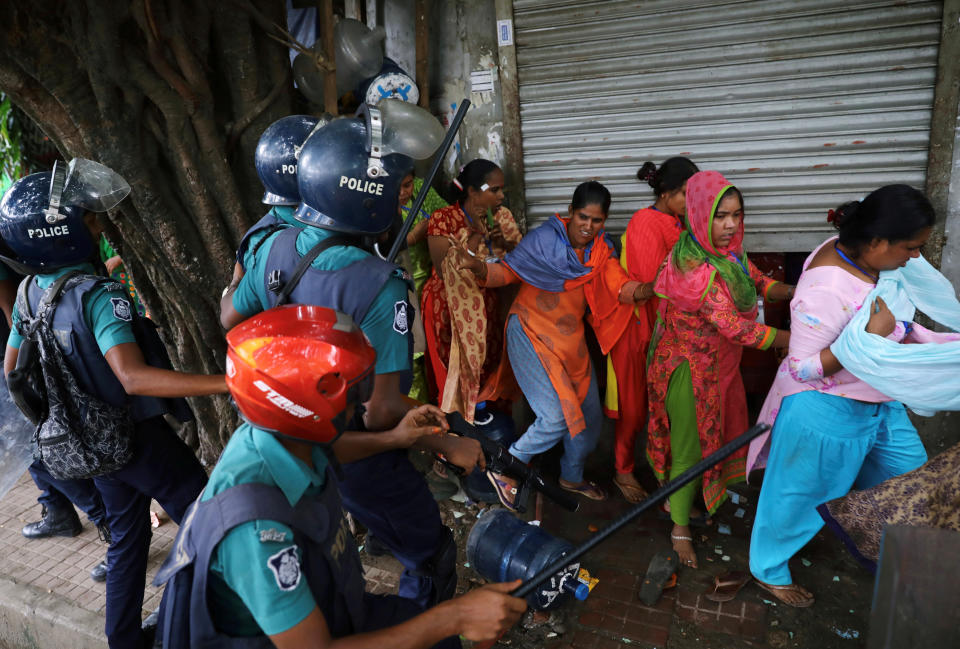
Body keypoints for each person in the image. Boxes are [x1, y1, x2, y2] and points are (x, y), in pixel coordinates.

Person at [220, 110, 484, 609]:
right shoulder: (380, 285)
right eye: (398, 186)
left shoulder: (274, 245)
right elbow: (382, 408)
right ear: (371, 199)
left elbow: (229, 315)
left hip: (293, 444)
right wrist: (449, 442)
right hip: (360, 447)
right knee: (431, 554)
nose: (404, 193)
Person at [154, 305, 526, 649]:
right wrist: (454, 617)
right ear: (306, 408)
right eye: (355, 392)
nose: (362, 404)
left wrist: (396, 438)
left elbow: (329, 450)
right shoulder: (257, 534)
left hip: (337, 607)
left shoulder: (279, 436)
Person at [0, 165, 228, 649]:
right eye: (89, 221)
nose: (99, 226)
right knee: (207, 521)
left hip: (89, 446)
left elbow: (13, 371)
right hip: (138, 439)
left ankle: (123, 640)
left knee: (127, 542)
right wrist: (227, 383)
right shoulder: (98, 297)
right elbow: (132, 376)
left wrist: (61, 416)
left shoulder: (26, 294)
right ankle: (179, 628)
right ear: (63, 233)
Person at [748, 185, 942, 607]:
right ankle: (768, 568)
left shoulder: (859, 254)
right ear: (876, 242)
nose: (914, 257)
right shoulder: (825, 287)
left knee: (910, 483)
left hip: (879, 399)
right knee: (797, 497)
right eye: (910, 248)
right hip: (825, 409)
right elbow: (801, 367)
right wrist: (866, 341)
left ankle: (901, 560)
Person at [457, 181, 649, 508]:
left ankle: (570, 478)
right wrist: (479, 268)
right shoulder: (543, 240)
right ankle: (505, 468)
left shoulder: (601, 252)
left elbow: (621, 288)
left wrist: (655, 287)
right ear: (571, 213)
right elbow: (508, 272)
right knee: (555, 418)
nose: (588, 226)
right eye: (583, 217)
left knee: (589, 422)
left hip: (570, 344)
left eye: (597, 220)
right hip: (530, 334)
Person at [647, 170, 792, 570]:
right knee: (689, 453)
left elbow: (759, 282)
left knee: (708, 442)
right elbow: (735, 326)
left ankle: (685, 503)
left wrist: (801, 291)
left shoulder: (728, 256)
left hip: (718, 368)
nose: (730, 225)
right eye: (720, 216)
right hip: (691, 373)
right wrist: (796, 340)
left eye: (736, 215)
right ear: (697, 215)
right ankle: (679, 528)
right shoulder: (695, 268)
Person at [1, 257, 110, 582]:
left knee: (39, 450)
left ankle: (105, 520)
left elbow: (13, 316)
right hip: (12, 367)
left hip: (12, 364)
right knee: (31, 454)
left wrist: (24, 376)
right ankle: (58, 509)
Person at [606, 156, 699, 503]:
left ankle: (665, 475)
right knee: (633, 407)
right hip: (641, 327)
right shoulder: (647, 221)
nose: (692, 202)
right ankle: (622, 470)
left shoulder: (674, 221)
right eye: (686, 194)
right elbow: (651, 285)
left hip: (665, 328)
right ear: (667, 193)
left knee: (663, 407)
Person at [420, 159, 521, 415]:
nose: (500, 196)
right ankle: (458, 426)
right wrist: (476, 234)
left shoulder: (503, 217)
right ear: (473, 192)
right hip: (450, 309)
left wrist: (505, 244)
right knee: (457, 369)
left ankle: (489, 425)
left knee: (489, 363)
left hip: (489, 306)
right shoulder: (443, 219)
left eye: (502, 190)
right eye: (494, 190)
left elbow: (519, 262)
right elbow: (445, 269)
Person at [399, 176, 448, 403]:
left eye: (407, 185)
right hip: (398, 284)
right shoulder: (372, 197)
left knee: (435, 350)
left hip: (430, 282)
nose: (403, 192)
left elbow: (447, 215)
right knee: (410, 353)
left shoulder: (421, 188)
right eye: (397, 187)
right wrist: (412, 237)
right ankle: (416, 412)